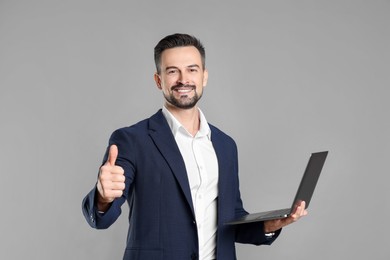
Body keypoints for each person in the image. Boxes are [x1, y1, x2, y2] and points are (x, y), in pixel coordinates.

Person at [82, 33, 307, 260]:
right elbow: (101, 217)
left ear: (204, 76)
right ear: (158, 80)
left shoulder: (225, 145)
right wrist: (103, 197)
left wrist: (270, 225)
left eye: (192, 69)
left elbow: (231, 220)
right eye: (172, 71)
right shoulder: (131, 140)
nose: (183, 79)